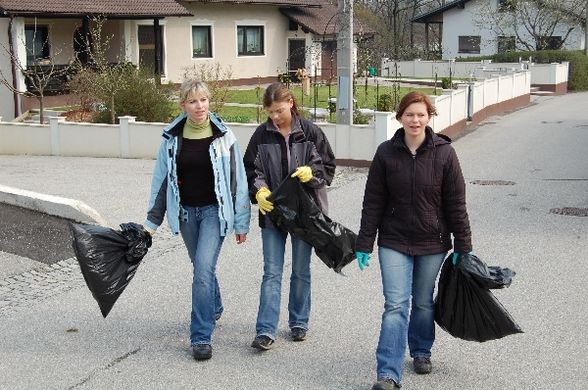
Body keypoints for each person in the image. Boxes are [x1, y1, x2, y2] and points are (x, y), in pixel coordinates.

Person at [355, 91, 472, 389]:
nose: (415, 120)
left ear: (429, 116)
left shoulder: (444, 152)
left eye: (420, 114)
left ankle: (421, 350)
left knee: (422, 302)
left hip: (432, 241)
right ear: (400, 118)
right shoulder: (385, 153)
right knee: (395, 304)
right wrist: (364, 243)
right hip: (394, 240)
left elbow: (456, 203)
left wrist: (463, 245)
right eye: (409, 114)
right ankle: (388, 373)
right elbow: (373, 201)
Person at [143, 79, 251, 361]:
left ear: (208, 101)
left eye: (203, 100)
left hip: (214, 212)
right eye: (193, 101)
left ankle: (200, 336)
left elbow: (237, 180)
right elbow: (162, 182)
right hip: (186, 212)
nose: (199, 106)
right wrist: (151, 223)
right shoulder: (171, 138)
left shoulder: (224, 135)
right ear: (183, 105)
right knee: (202, 269)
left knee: (202, 269)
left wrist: (241, 222)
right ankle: (213, 306)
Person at [243, 82, 336, 350]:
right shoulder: (262, 135)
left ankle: (299, 322)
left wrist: (312, 174)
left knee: (300, 269)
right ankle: (265, 330)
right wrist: (258, 191)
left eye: (279, 110)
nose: (274, 117)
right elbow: (252, 169)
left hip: (305, 213)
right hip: (273, 213)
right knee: (271, 272)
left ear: (291, 103)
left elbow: (328, 168)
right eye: (270, 112)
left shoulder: (310, 132)